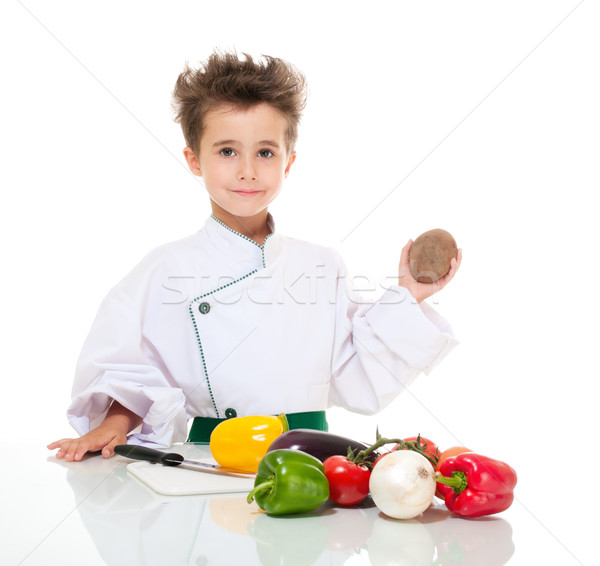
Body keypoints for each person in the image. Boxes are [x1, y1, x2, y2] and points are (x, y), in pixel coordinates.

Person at [48, 50, 461, 461]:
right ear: (194, 159)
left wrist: (408, 295)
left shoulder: (322, 264)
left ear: (289, 162)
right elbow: (136, 366)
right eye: (227, 151)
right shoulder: (167, 267)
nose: (248, 170)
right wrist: (112, 426)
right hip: (209, 456)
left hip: (311, 454)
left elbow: (356, 377)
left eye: (265, 152)